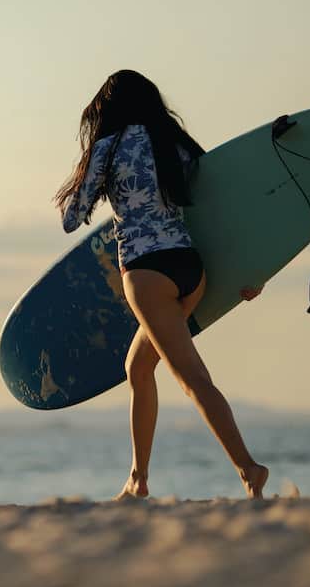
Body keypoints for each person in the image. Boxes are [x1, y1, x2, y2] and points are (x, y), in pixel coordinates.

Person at [55, 70, 269, 500]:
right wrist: (251, 272)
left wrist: (93, 178)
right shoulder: (174, 142)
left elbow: (71, 219)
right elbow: (221, 202)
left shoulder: (107, 147)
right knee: (137, 368)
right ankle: (138, 478)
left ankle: (248, 468)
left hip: (146, 273)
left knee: (192, 377)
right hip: (191, 270)